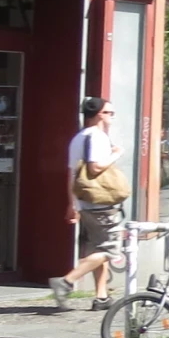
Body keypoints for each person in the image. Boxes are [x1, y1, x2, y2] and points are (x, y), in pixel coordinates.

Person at [52, 96, 125, 309]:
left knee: (96, 248)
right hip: (101, 203)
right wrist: (116, 154)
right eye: (109, 113)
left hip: (85, 204)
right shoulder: (97, 137)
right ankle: (66, 282)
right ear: (100, 115)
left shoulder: (78, 138)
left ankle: (101, 297)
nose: (112, 117)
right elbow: (94, 168)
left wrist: (72, 204)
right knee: (111, 249)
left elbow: (72, 175)